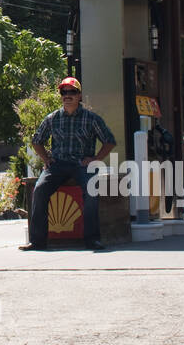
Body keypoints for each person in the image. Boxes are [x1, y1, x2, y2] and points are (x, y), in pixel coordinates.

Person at [20, 76, 115, 251]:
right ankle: (37, 241)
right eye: (64, 92)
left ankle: (92, 240)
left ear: (79, 95)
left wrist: (95, 160)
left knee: (91, 190)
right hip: (57, 164)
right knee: (39, 189)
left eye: (72, 92)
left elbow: (109, 141)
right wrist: (46, 159)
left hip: (82, 164)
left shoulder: (91, 118)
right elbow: (37, 140)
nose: (67, 95)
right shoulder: (52, 118)